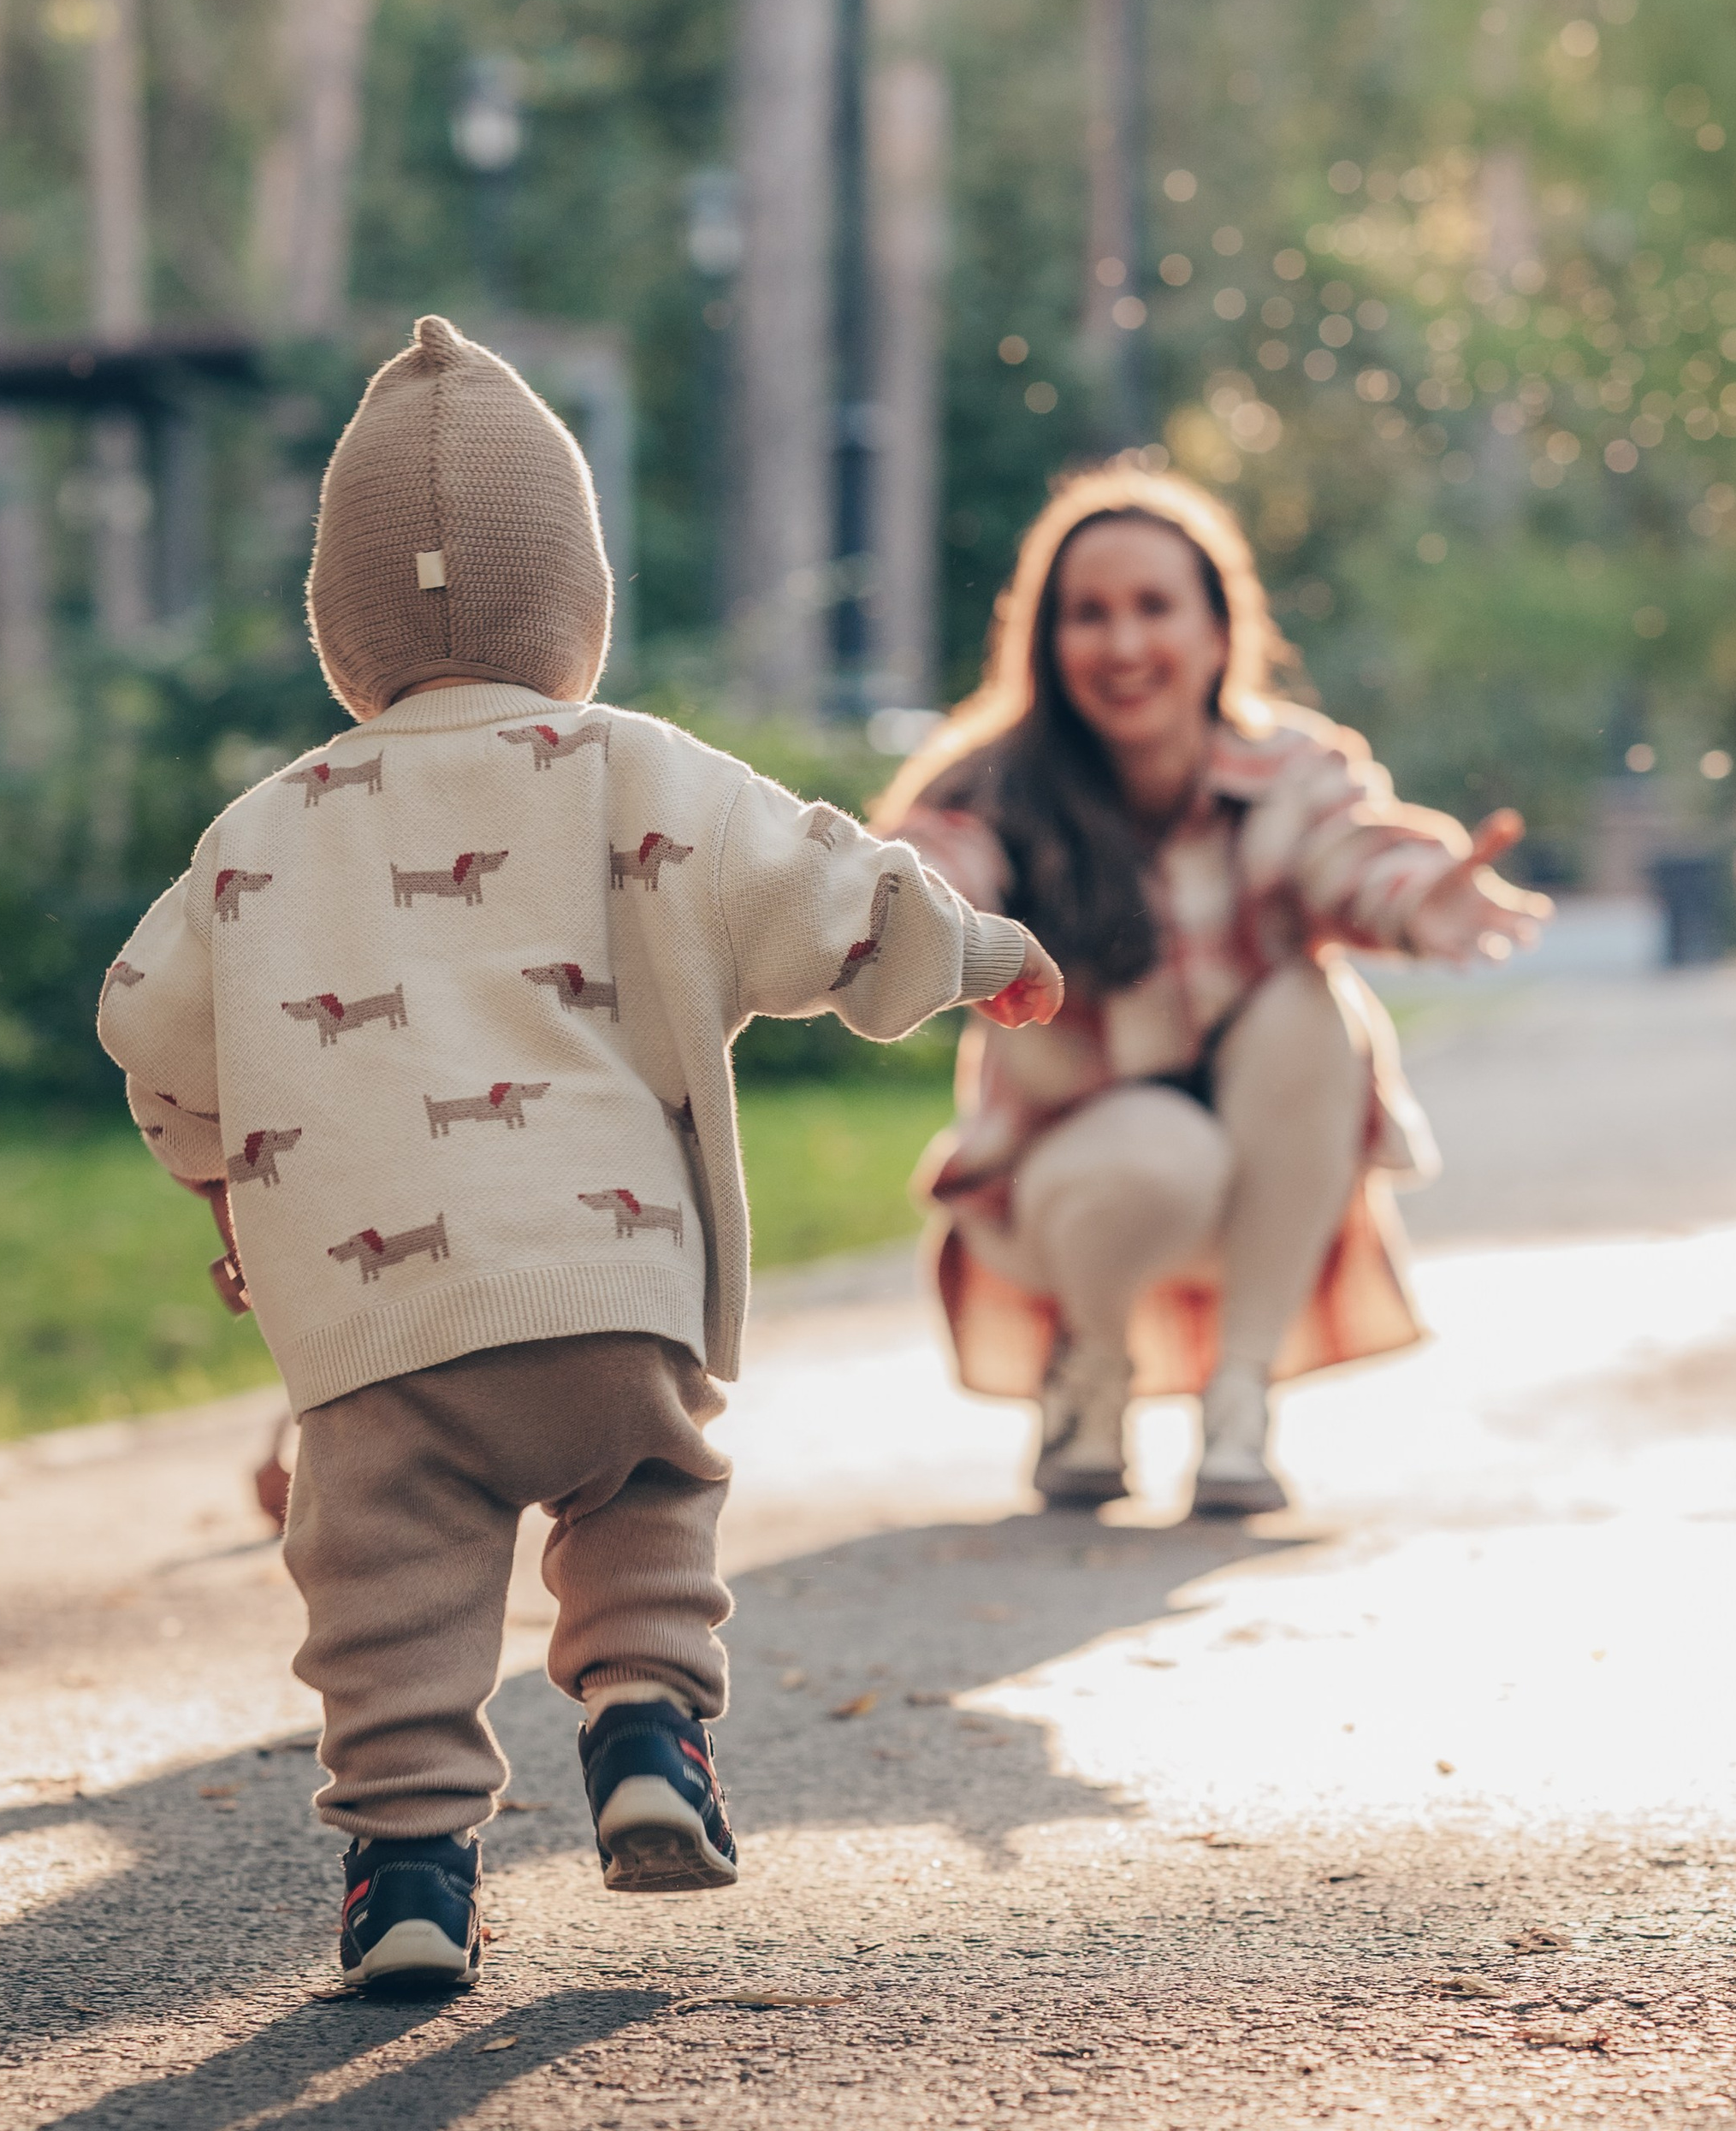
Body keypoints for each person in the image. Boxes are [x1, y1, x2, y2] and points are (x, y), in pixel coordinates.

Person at [97, 316, 1058, 1993]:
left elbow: (155, 1026)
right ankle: (643, 1723)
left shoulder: (260, 832)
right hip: (608, 1286)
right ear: (576, 603)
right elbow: (822, 886)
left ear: (341, 630)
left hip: (378, 1340)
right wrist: (975, 950)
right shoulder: (632, 768)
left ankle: (408, 1873)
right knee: (645, 1487)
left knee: (386, 1591)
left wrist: (213, 1175)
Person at [876, 466, 1544, 1517]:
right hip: (1077, 1187)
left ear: (1219, 631)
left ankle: (1240, 1402)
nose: (1124, 644)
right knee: (1165, 1149)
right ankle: (1090, 1372)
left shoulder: (1289, 772)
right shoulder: (990, 786)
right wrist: (900, 915)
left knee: (1312, 1008)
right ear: (1045, 641)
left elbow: (1356, 856)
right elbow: (928, 874)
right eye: (1089, 614)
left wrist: (1424, 901)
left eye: (1155, 607)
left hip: (1265, 1175)